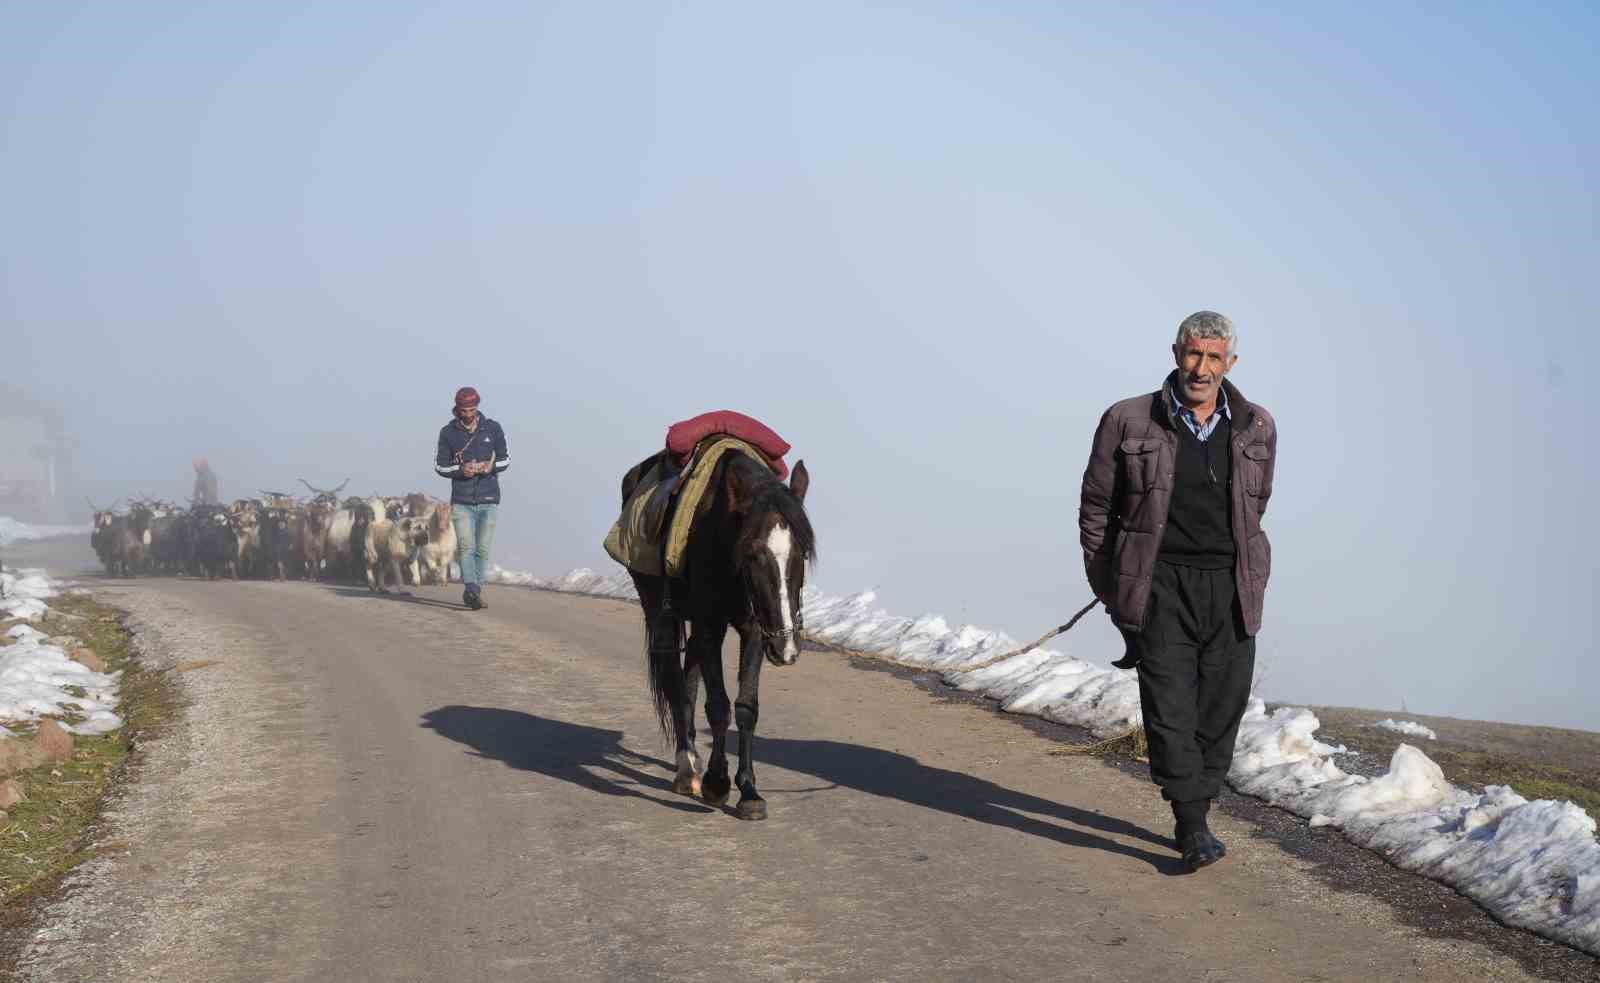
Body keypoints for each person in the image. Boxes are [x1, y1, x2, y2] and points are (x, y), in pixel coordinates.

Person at [1078, 311, 1277, 872]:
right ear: (1175, 353)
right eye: (1193, 354)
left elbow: (1255, 508)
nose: (1202, 368)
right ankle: (1192, 824)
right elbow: (1097, 509)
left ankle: (1199, 806)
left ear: (1230, 363)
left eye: (1214, 358)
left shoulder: (1257, 425)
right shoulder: (1128, 420)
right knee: (1168, 708)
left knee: (1222, 706)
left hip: (1232, 587)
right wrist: (1114, 589)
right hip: (1159, 583)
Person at [434, 387, 509, 610]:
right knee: (466, 547)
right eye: (464, 410)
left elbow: (506, 461)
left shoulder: (493, 429)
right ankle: (471, 588)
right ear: (457, 408)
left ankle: (476, 589)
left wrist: (490, 467)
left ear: (478, 407)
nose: (468, 414)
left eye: (472, 409)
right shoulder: (448, 433)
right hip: (462, 501)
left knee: (483, 548)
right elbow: (440, 465)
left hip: (489, 498)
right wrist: (461, 470)